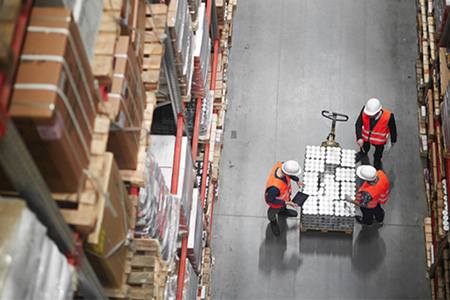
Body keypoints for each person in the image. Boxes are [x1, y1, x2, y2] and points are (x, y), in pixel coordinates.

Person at [265, 160, 305, 236]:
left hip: (284, 197)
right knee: (272, 213)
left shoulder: (281, 165)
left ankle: (283, 212)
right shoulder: (274, 187)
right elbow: (270, 200)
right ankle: (273, 222)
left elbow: (289, 174)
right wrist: (285, 202)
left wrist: (297, 180)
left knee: (283, 207)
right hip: (276, 203)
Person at [355, 98, 397, 170]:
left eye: (372, 114)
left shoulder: (388, 117)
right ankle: (363, 153)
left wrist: (393, 140)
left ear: (378, 111)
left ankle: (377, 161)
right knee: (365, 148)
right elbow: (358, 124)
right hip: (366, 138)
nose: (369, 116)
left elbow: (393, 129)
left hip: (379, 141)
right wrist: (359, 138)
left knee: (378, 153)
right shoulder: (365, 111)